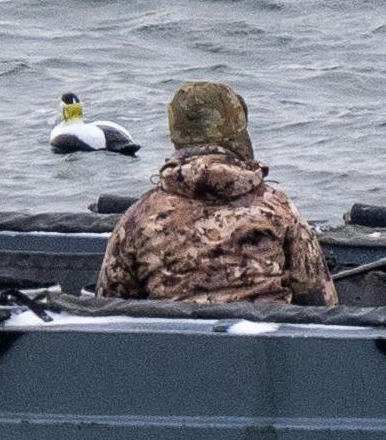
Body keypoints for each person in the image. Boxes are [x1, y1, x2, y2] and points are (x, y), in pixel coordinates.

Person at [96, 81, 332, 305]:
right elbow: (321, 303)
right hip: (263, 344)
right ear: (237, 133)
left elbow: (109, 309)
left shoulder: (139, 218)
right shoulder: (278, 209)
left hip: (173, 346)